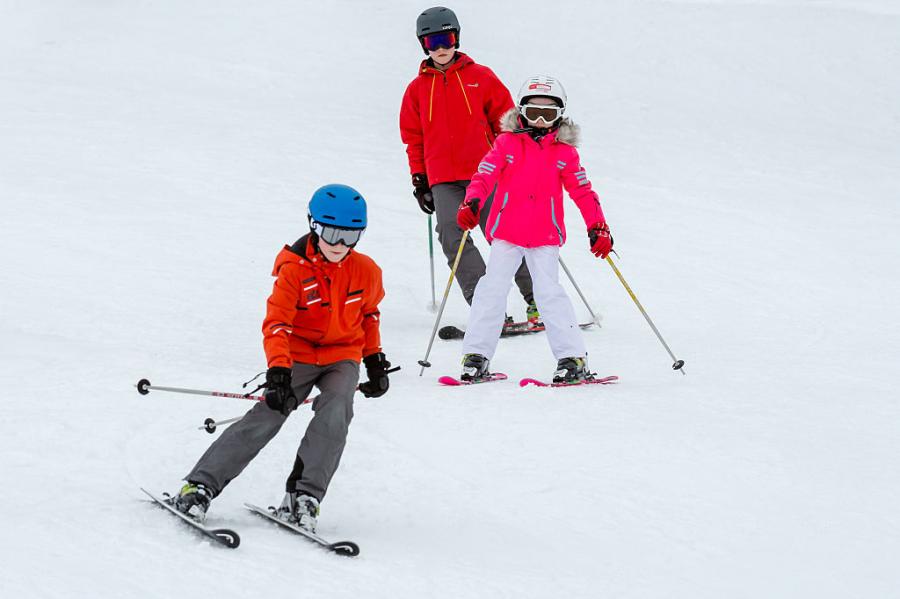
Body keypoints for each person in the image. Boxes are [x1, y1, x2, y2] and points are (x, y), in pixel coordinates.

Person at [172, 184, 392, 533]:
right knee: (268, 416)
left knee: (337, 410)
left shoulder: (366, 270)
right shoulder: (294, 270)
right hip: (298, 354)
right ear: (313, 226)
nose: (339, 245)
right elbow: (277, 324)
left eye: (350, 236)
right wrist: (278, 371)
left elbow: (369, 315)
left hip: (342, 354)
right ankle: (199, 486)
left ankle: (304, 498)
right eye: (331, 233)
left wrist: (375, 360)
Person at [455, 75, 614, 384]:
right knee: (491, 290)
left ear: (560, 115)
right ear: (521, 112)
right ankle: (476, 356)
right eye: (534, 112)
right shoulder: (507, 143)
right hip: (508, 231)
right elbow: (484, 174)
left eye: (549, 113)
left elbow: (582, 191)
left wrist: (598, 225)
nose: (541, 121)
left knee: (548, 293)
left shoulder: (564, 153)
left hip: (544, 235)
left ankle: (572, 359)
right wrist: (472, 202)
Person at [399, 6, 540, 327]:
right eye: (432, 42)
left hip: (488, 173)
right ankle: (485, 305)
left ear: (456, 38)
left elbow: (508, 123)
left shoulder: (481, 77)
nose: (440, 48)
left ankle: (538, 300)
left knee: (507, 236)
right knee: (452, 236)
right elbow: (413, 138)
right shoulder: (417, 90)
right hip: (443, 180)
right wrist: (420, 180)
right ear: (423, 45)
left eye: (446, 39)